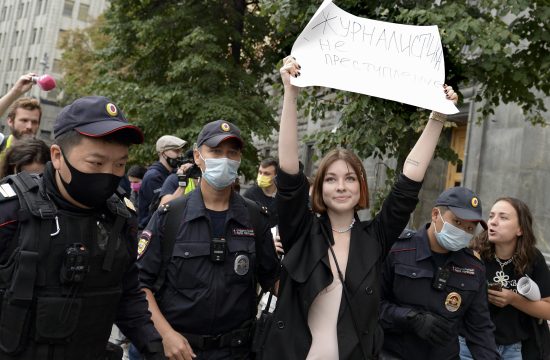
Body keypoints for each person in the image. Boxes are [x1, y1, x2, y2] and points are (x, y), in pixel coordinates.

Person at [259, 56, 456, 359]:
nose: (341, 186)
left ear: (361, 188)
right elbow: (288, 174)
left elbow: (408, 184)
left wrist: (437, 118)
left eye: (350, 178)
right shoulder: (301, 231)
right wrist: (290, 94)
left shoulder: (374, 238)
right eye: (331, 179)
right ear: (319, 188)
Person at [0, 96, 164, 359]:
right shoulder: (11, 211)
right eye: (96, 163)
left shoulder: (122, 219)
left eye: (119, 164)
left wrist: (155, 347)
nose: (109, 173)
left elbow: (129, 296)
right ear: (57, 156)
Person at [137, 119, 280, 359]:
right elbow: (140, 284)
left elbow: (273, 279)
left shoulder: (254, 217)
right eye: (215, 151)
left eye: (232, 153)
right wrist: (166, 334)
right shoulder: (171, 216)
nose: (224, 159)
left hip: (236, 350)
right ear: (197, 156)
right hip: (178, 350)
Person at [379, 187, 500, 360]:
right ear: (436, 214)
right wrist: (411, 319)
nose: (463, 232)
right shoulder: (398, 250)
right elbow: (370, 306)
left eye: (469, 228)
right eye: (457, 222)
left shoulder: (474, 269)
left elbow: (480, 330)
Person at [461, 197, 550, 359]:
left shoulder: (533, 258)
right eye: (491, 216)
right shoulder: (474, 253)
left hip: (513, 349)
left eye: (503, 217)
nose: (493, 222)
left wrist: (514, 299)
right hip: (470, 345)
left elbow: (548, 310)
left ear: (520, 229)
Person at [138, 135, 187, 229]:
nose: (180, 155)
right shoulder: (153, 176)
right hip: (150, 230)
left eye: (181, 151)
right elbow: (162, 208)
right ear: (162, 153)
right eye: (176, 151)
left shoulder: (172, 172)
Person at [0, 73, 41, 155]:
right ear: (10, 121)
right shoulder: (1, 143)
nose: (29, 126)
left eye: (34, 122)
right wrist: (16, 91)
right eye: (24, 120)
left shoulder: (43, 157)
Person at [243, 158, 278, 228]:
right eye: (260, 172)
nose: (261, 176)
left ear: (276, 176)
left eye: (266, 174)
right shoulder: (250, 194)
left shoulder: (284, 196)